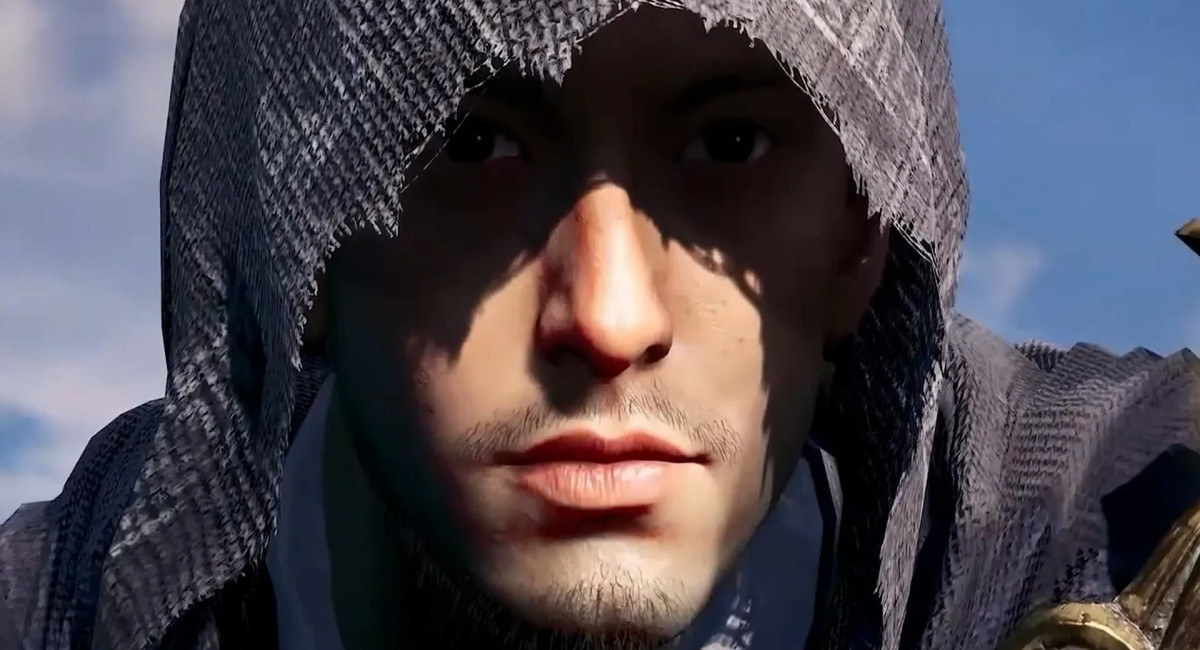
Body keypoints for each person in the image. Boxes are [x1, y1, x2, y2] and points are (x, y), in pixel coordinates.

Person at [2, 2, 1198, 650]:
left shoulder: (1124, 515)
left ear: (861, 231)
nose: (611, 319)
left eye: (729, 145)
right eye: (472, 143)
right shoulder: (53, 608)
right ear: (295, 239)